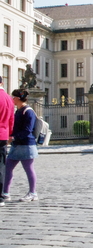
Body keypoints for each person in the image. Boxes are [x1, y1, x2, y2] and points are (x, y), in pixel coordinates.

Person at [3, 89, 39, 202]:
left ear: (17, 98)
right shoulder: (18, 110)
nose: (11, 99)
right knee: (7, 168)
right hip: (17, 145)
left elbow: (27, 130)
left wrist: (13, 137)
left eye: (12, 97)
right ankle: (5, 192)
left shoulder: (28, 111)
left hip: (27, 145)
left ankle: (33, 193)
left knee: (28, 169)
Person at [0, 77, 14, 206]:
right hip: (3, 136)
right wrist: (10, 134)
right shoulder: (9, 98)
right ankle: (1, 195)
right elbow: (11, 118)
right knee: (1, 165)